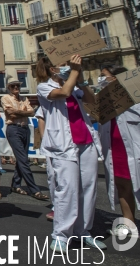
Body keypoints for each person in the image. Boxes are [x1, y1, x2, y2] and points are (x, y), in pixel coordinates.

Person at [36, 55, 105, 252]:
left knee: (89, 188)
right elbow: (64, 93)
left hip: (86, 142)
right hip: (63, 145)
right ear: (52, 70)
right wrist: (74, 71)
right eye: (63, 65)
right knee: (68, 189)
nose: (68, 67)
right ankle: (61, 234)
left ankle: (82, 231)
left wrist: (81, 80)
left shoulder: (75, 85)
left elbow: (91, 100)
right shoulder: (44, 87)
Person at [97, 66, 140, 238]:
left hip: (135, 150)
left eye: (104, 77)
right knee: (122, 185)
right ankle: (129, 223)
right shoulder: (104, 102)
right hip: (116, 150)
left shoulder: (135, 97)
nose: (101, 81)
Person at [1, 77, 49, 200]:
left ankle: (16, 184)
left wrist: (18, 112)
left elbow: (32, 112)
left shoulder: (24, 98)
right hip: (13, 128)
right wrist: (23, 112)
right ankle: (34, 190)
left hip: (25, 128)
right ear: (9, 88)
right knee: (23, 159)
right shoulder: (5, 98)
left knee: (23, 158)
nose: (16, 87)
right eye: (13, 86)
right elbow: (10, 114)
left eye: (17, 85)